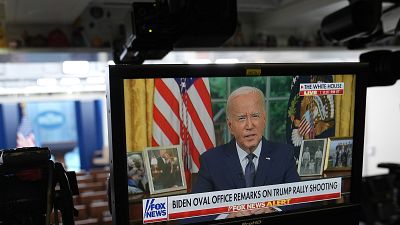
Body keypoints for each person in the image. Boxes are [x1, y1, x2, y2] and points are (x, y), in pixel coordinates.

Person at [192, 86, 300, 218]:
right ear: (230, 125)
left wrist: (273, 210)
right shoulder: (211, 161)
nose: (249, 125)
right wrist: (227, 217)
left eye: (255, 116)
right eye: (242, 118)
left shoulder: (284, 155)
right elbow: (192, 214)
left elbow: (301, 202)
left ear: (264, 120)